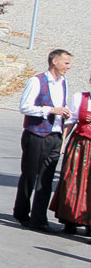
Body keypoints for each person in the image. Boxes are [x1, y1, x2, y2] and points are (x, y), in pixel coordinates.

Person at [14, 50, 73, 233]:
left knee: (46, 179)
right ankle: (22, 213)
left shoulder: (63, 82)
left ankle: (39, 219)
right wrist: (50, 110)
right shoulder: (36, 81)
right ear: (55, 62)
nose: (68, 67)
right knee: (30, 175)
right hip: (36, 135)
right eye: (66, 63)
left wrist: (64, 113)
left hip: (55, 136)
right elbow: (24, 107)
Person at [50, 72, 91, 236]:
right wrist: (63, 142)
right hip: (79, 145)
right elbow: (71, 121)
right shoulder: (80, 97)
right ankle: (70, 221)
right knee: (72, 180)